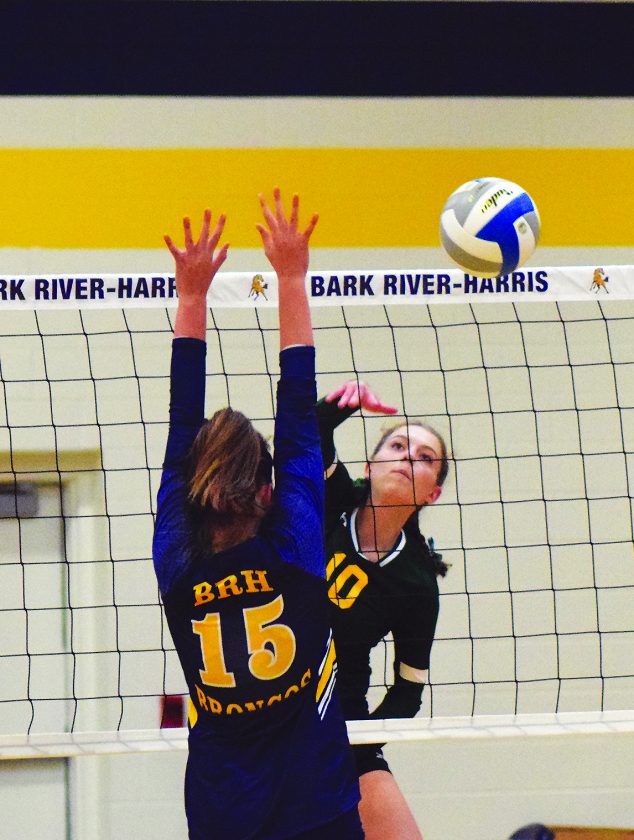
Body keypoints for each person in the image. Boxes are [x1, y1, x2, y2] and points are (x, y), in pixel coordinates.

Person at [153, 191, 363, 840]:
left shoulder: (177, 559)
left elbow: (181, 422)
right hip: (316, 802)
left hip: (223, 812)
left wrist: (191, 295)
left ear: (192, 489)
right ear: (269, 494)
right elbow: (299, 409)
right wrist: (292, 277)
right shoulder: (295, 546)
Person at [315, 380, 450, 839]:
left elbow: (407, 694)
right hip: (274, 711)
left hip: (342, 722)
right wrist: (344, 402)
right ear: (370, 467)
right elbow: (311, 428)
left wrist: (356, 741)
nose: (408, 457)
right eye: (397, 446)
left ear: (432, 493)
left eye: (425, 457)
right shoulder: (334, 500)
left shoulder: (416, 585)